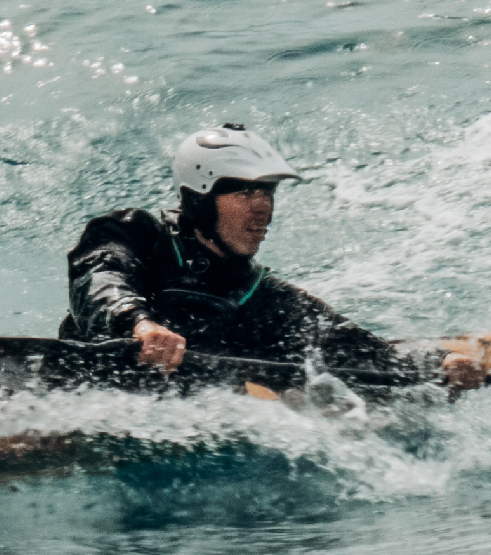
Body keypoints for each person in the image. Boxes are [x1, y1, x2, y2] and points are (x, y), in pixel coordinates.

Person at [59, 122, 482, 393]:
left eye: (267, 192)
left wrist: (439, 364)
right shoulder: (134, 234)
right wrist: (138, 322)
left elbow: (359, 351)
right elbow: (99, 278)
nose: (261, 207)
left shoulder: (260, 296)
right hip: (80, 382)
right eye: (244, 192)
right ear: (201, 199)